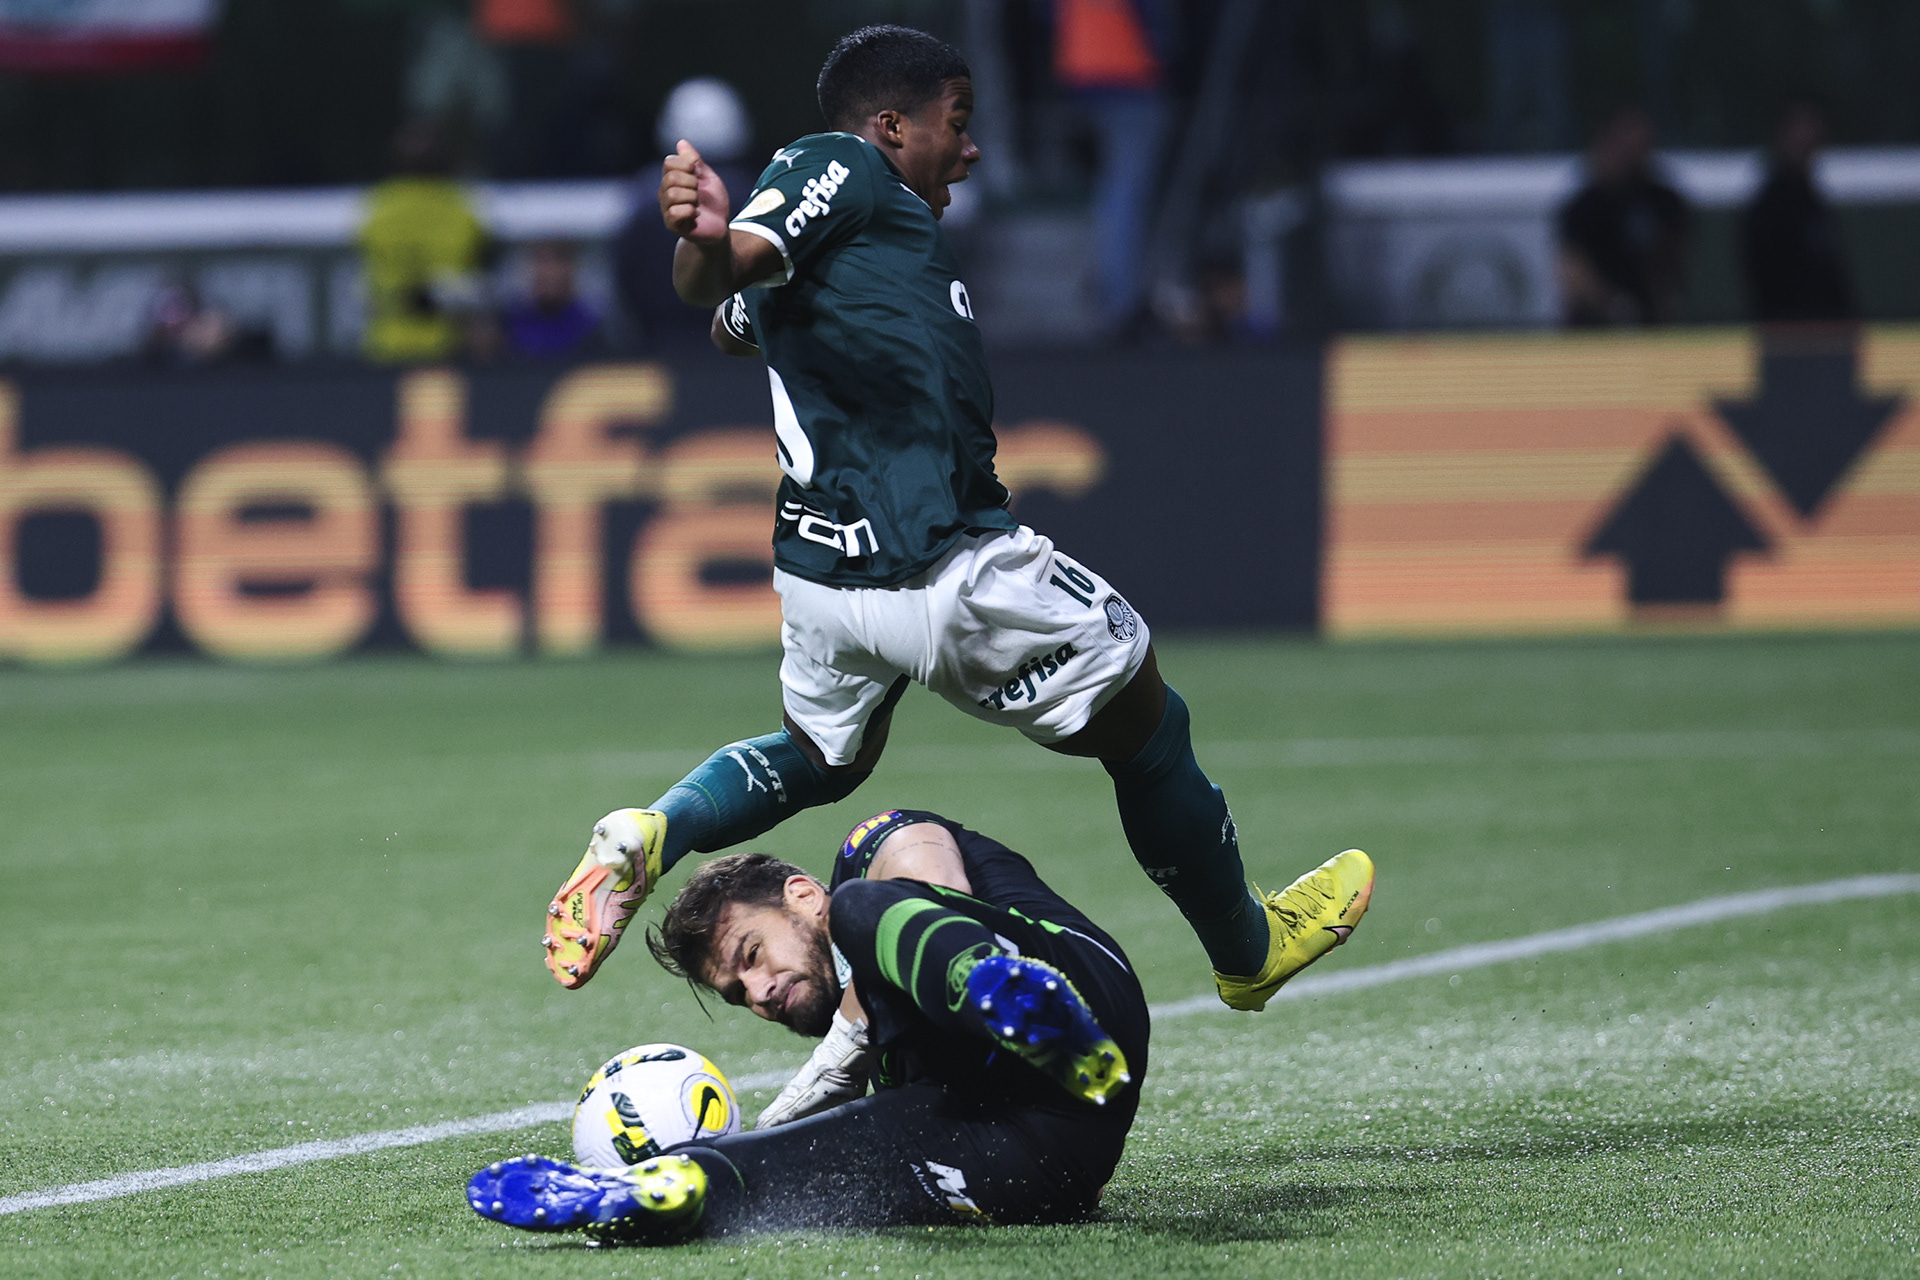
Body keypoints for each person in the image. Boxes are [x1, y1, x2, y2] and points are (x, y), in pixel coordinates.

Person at [539, 25, 1373, 1019]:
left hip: (823, 579)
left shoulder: (849, 258)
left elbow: (726, 313)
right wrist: (708, 241)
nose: (971, 149)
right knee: (1150, 731)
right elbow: (721, 272)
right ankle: (1246, 948)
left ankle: (654, 831)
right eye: (957, 121)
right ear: (893, 126)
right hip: (940, 562)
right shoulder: (845, 166)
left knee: (820, 754)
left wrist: (717, 255)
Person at [476, 809, 1148, 1240]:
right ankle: (653, 1187)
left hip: (1080, 991)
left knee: (860, 910)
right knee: (815, 1159)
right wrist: (779, 1136)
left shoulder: (867, 855)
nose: (760, 993)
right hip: (1052, 1146)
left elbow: (933, 883)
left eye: (751, 955)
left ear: (800, 895)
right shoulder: (892, 1063)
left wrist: (846, 1042)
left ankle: (999, 990)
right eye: (738, 994)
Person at [359, 119, 493, 363]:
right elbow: (476, 283)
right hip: (443, 348)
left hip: (388, 345)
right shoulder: (463, 209)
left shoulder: (376, 208)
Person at [1557, 106, 1690, 327]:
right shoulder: (1585, 206)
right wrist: (1611, 305)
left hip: (1652, 320)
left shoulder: (1662, 200)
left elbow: (1675, 255)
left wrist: (1664, 301)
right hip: (1594, 325)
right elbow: (1572, 267)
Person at [1741, 102, 1854, 323]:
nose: (1808, 136)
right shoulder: (1770, 203)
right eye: (1800, 127)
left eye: (1813, 127)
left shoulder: (1813, 198)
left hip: (1827, 325)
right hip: (1788, 328)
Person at [501, 240, 605, 358]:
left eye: (559, 260)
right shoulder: (510, 325)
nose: (550, 272)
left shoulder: (589, 327)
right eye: (542, 261)